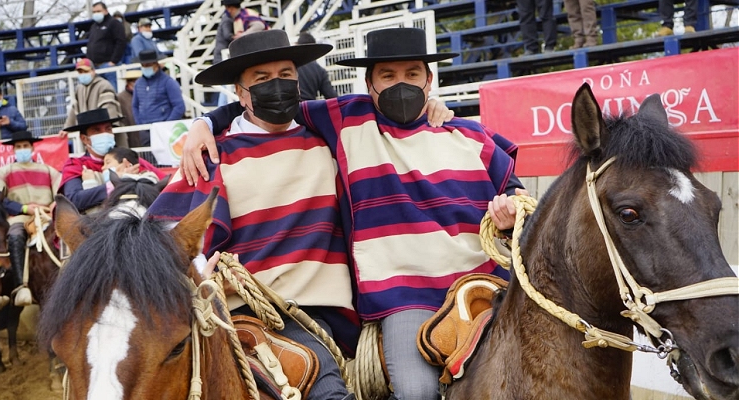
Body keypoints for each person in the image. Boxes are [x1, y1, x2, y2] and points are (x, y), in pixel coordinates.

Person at [184, 27, 525, 400]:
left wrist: (509, 215)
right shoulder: (344, 120)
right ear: (369, 83)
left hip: (488, 286)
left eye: (412, 74)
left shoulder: (469, 135)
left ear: (430, 81)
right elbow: (271, 105)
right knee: (414, 393)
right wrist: (205, 123)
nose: (401, 85)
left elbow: (520, 199)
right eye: (388, 76)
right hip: (405, 296)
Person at [148, 30, 357, 400]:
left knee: (329, 391)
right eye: (261, 79)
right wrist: (199, 271)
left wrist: (437, 109)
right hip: (231, 310)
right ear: (241, 93)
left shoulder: (328, 137)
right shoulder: (212, 154)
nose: (277, 85)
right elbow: (163, 235)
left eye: (286, 74)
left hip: (309, 313)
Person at [0, 130, 61, 307]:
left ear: (32, 147)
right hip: (18, 217)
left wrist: (54, 205)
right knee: (15, 236)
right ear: (13, 150)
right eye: (19, 147)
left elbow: (61, 194)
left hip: (47, 217)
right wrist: (24, 208)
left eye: (25, 146)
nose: (22, 149)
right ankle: (21, 285)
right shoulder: (3, 172)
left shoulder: (49, 171)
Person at [59, 108, 165, 214]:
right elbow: (74, 200)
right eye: (97, 130)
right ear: (84, 139)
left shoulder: (128, 159)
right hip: (93, 225)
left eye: (108, 129)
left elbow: (163, 182)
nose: (105, 134)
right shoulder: (76, 165)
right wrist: (115, 183)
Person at [60, 58, 124, 146]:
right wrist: (66, 128)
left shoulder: (103, 85)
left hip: (105, 136)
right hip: (90, 135)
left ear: (93, 71)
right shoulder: (79, 89)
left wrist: (106, 132)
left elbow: (109, 112)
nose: (83, 75)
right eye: (80, 72)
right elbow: (74, 110)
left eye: (85, 71)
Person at [132, 49, 186, 146]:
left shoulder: (168, 82)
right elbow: (135, 105)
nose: (145, 67)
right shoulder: (138, 83)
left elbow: (179, 106)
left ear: (156, 64)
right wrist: (140, 123)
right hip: (145, 130)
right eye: (143, 65)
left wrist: (167, 125)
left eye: (148, 65)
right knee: (147, 157)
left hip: (164, 129)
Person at [85, 2, 127, 89]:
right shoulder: (93, 27)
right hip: (96, 67)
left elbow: (120, 42)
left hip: (109, 65)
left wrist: (113, 61)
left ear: (105, 11)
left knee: (114, 90)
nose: (96, 14)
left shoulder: (114, 23)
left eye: (98, 11)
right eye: (94, 12)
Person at [295, 32, 338, 101]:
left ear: (297, 46)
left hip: (291, 107)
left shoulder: (292, 66)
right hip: (309, 108)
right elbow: (331, 96)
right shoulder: (320, 71)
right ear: (315, 48)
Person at [116, 69, 141, 147]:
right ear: (127, 82)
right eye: (133, 81)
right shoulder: (120, 97)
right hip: (131, 135)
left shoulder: (146, 94)